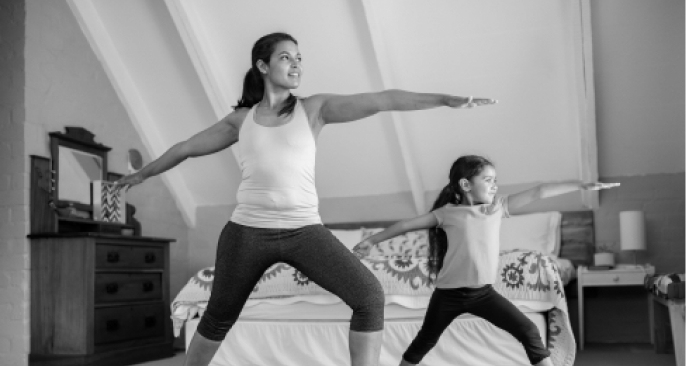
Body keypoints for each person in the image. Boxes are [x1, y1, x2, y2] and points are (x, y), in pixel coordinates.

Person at [113, 32, 497, 366]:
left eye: (299, 58)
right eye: (286, 57)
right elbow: (185, 148)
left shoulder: (314, 109)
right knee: (218, 316)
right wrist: (143, 173)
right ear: (262, 66)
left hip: (304, 231)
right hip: (247, 232)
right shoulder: (240, 121)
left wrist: (445, 99)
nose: (296, 64)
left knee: (368, 296)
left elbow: (382, 99)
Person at [353, 155, 619, 366]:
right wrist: (372, 241)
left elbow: (539, 192)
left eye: (495, 180)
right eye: (488, 180)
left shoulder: (496, 208)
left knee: (528, 330)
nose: (495, 185)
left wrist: (580, 186)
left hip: (483, 294)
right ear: (466, 185)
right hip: (448, 295)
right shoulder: (447, 213)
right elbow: (406, 225)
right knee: (424, 341)